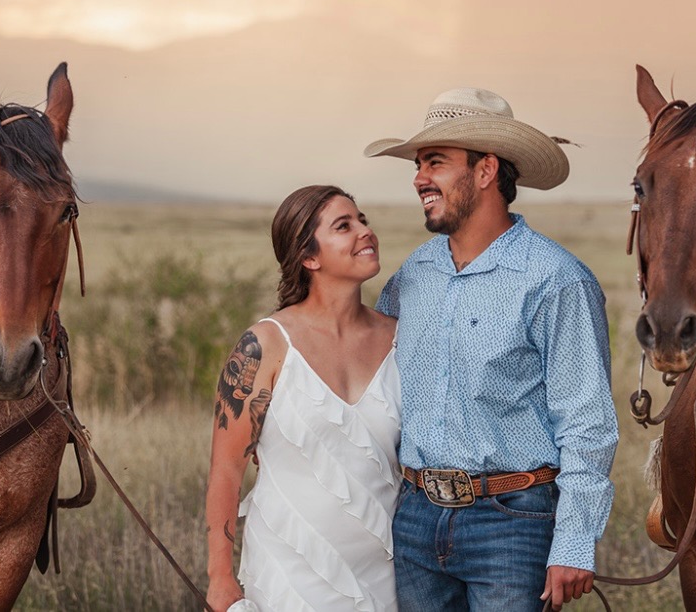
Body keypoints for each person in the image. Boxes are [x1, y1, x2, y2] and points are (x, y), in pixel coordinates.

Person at [364, 88, 618, 611]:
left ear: (485, 172)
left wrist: (573, 541)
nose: (418, 179)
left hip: (512, 523)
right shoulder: (413, 276)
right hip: (412, 518)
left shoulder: (557, 280)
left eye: (435, 162)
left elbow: (587, 421)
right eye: (417, 164)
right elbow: (368, 372)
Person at [205, 185, 401, 612]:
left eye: (363, 220)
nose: (364, 232)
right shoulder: (265, 345)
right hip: (289, 576)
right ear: (309, 258)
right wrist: (220, 579)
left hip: (387, 578)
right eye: (344, 226)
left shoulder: (400, 338)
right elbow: (226, 469)